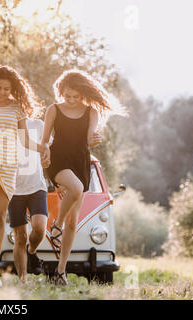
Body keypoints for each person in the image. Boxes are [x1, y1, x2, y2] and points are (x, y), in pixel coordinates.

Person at [40, 69, 125, 286]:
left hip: (80, 162)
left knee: (73, 222)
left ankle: (60, 272)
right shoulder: (54, 110)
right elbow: (44, 141)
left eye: (75, 96)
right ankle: (55, 225)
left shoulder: (91, 112)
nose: (70, 100)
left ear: (83, 95)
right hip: (59, 160)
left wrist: (96, 139)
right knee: (76, 190)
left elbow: (90, 140)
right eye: (66, 95)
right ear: (61, 92)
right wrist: (48, 165)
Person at [0, 65, 49, 287]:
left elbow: (24, 140)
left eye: (6, 89)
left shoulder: (16, 109)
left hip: (9, 163)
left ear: (12, 89)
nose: (2, 92)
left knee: (0, 216)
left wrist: (41, 148)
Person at [9, 116, 51, 283]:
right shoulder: (5, 123)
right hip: (13, 190)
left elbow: (48, 149)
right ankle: (23, 280)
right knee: (20, 236)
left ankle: (32, 251)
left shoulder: (38, 125)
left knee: (40, 228)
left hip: (37, 187)